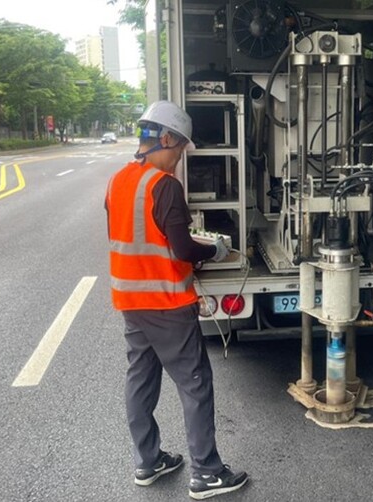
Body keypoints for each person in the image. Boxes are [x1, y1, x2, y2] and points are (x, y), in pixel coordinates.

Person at [105, 100, 248, 500]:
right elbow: (182, 248)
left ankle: (148, 461)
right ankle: (207, 472)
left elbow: (135, 236)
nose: (180, 158)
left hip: (131, 301)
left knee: (141, 380)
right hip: (166, 303)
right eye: (181, 148)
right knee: (195, 383)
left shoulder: (118, 180)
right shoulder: (164, 185)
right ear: (165, 139)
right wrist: (214, 250)